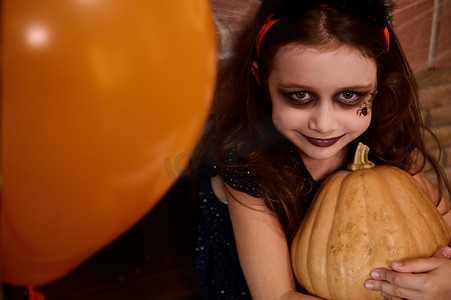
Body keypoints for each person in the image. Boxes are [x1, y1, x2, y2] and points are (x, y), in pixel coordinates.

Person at [192, 0, 451, 299]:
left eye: (349, 95)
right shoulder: (247, 165)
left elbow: (444, 217)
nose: (325, 124)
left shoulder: (381, 141)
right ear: (260, 78)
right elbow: (277, 295)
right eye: (300, 95)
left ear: (377, 85)